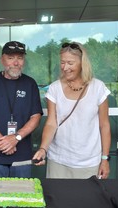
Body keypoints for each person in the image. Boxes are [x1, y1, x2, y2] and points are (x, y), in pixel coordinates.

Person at [33, 42, 111, 179]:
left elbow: (104, 125)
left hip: (89, 162)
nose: (65, 67)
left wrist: (105, 159)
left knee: (87, 200)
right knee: (57, 199)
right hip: (58, 160)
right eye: (62, 63)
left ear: (82, 63)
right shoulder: (54, 88)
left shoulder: (98, 88)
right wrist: (43, 148)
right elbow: (51, 123)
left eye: (70, 63)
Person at [0, 41, 43, 178]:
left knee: (21, 197)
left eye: (20, 58)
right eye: (11, 58)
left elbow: (36, 117)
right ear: (2, 59)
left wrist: (16, 138)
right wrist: (4, 141)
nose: (16, 63)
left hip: (22, 156)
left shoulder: (30, 83)